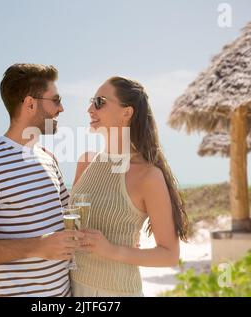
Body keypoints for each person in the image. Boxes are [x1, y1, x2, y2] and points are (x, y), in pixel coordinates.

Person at [0, 63, 82, 297]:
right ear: (30, 104)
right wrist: (38, 246)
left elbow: (68, 217)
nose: (61, 108)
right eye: (56, 100)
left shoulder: (48, 158)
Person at [69, 76, 189, 297]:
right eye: (91, 101)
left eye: (99, 102)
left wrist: (111, 250)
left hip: (116, 292)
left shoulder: (148, 176)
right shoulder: (85, 162)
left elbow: (169, 255)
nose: (89, 109)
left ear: (127, 113)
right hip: (72, 288)